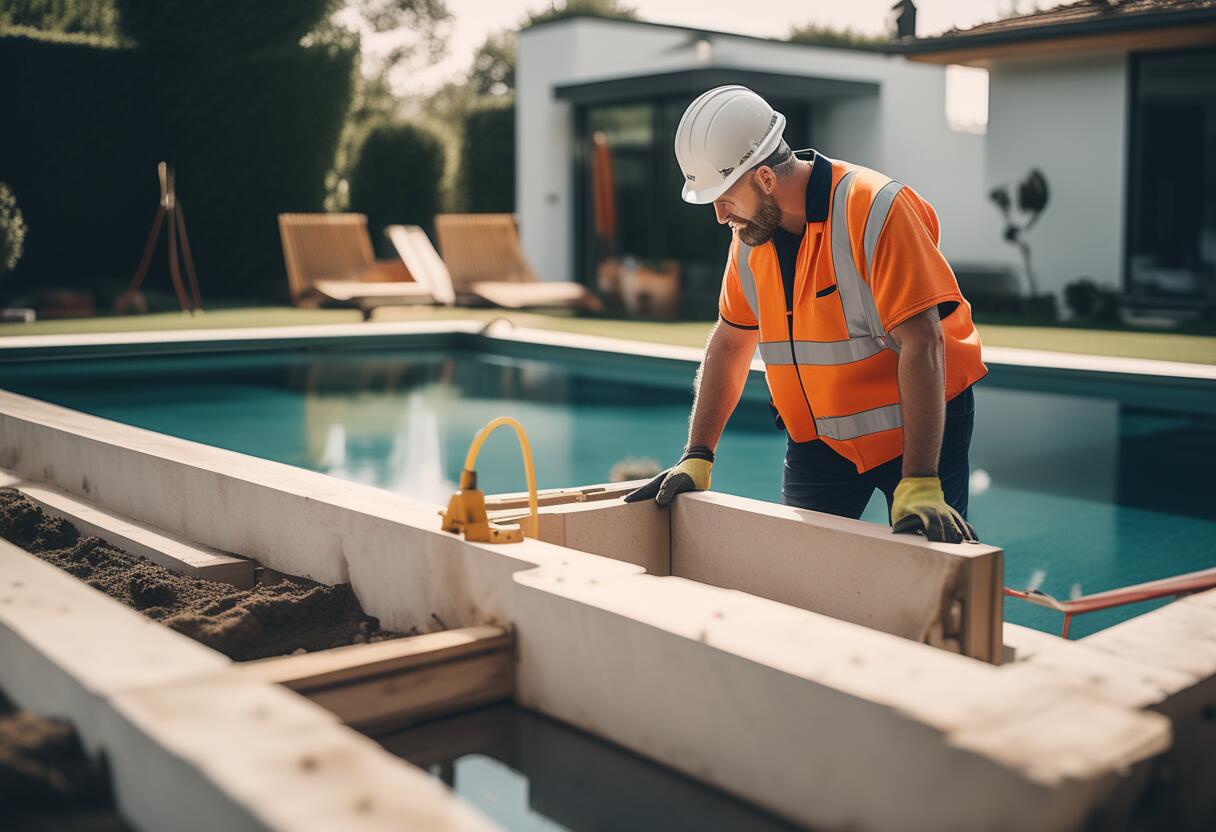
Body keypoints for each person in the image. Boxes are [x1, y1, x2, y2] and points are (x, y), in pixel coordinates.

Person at [626, 86, 987, 544]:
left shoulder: (876, 208)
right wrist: (698, 454)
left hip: (918, 430)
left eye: (725, 198)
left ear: (765, 179)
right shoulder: (749, 239)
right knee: (800, 563)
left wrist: (919, 480)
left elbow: (923, 341)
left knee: (934, 563)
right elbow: (731, 343)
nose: (719, 215)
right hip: (821, 441)